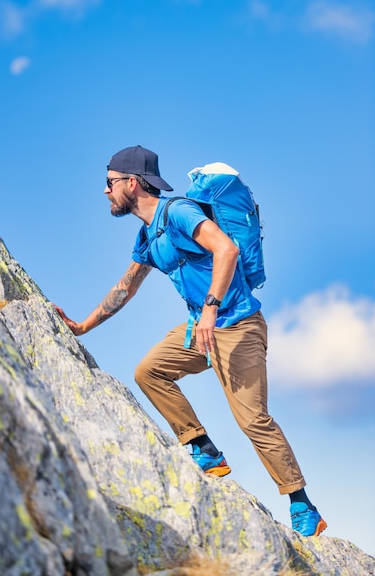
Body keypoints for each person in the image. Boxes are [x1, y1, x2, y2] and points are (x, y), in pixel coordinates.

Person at [55, 144, 327, 537]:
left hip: (237, 325)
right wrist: (82, 326)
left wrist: (212, 307)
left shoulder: (179, 212)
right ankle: (205, 450)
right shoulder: (149, 235)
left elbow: (226, 248)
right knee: (149, 371)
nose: (105, 191)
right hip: (200, 329)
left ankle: (302, 505)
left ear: (132, 183)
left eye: (109, 182)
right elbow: (125, 287)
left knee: (252, 419)